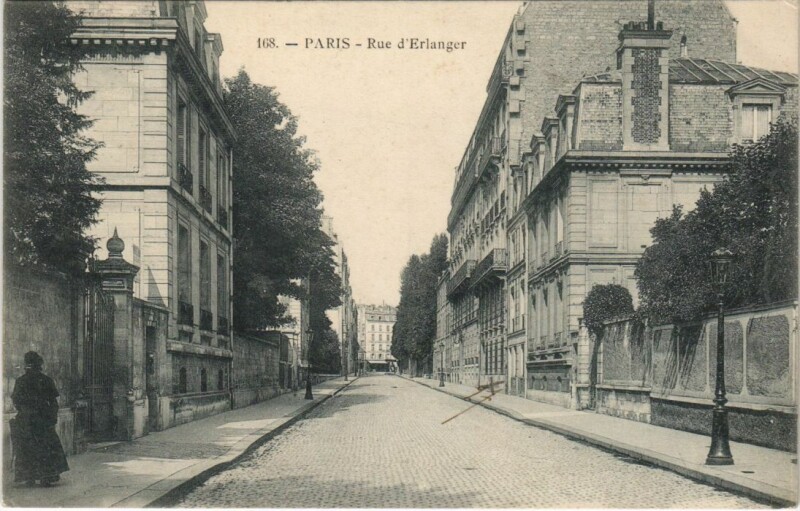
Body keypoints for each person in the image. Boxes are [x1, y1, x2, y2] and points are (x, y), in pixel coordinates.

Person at [10, 351, 69, 487]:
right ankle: (45, 477)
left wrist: (24, 412)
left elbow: (16, 401)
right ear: (39, 365)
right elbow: (54, 402)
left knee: (27, 448)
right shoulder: (46, 380)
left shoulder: (21, 381)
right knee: (45, 447)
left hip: (27, 420)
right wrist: (52, 418)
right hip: (43, 419)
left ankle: (29, 477)